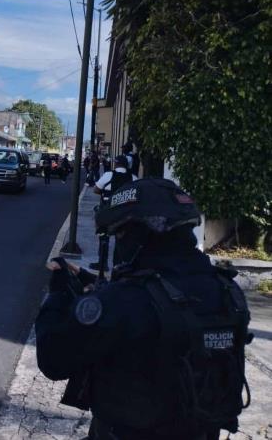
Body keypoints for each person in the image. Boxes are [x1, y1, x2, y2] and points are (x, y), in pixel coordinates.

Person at [36, 178, 252, 440]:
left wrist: (58, 293)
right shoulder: (227, 290)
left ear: (138, 233)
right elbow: (160, 296)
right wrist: (91, 282)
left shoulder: (122, 302)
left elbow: (53, 360)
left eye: (119, 234)